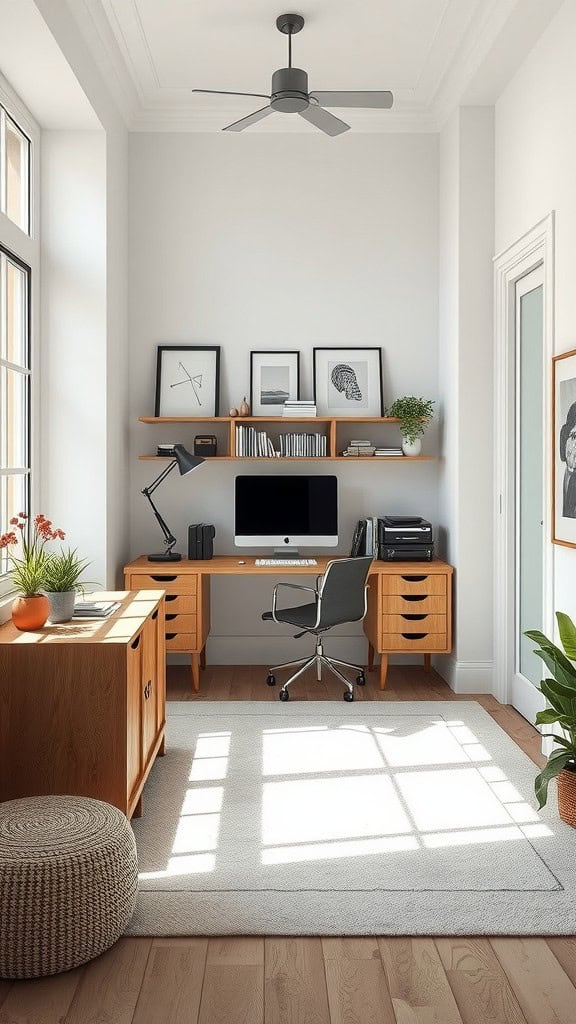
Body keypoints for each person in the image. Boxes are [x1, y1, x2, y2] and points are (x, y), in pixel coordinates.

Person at [560, 400, 576, 518]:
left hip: (569, 473)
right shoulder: (568, 431)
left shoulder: (565, 429)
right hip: (571, 474)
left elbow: (562, 456)